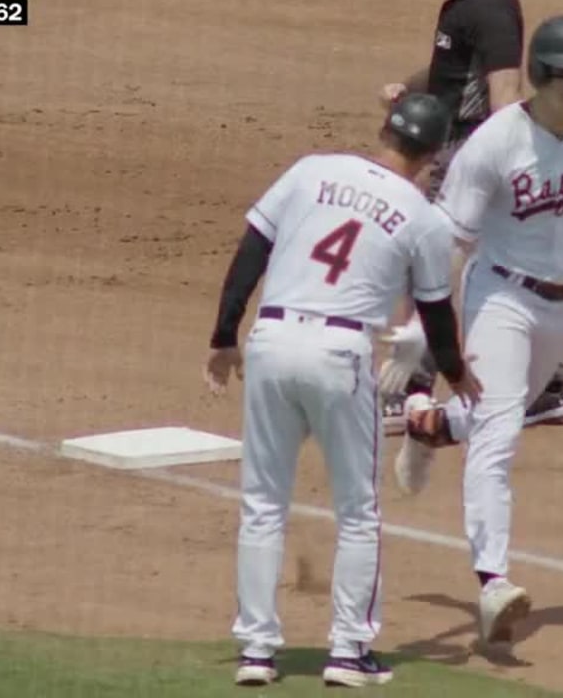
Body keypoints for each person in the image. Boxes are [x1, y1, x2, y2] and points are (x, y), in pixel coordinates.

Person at [387, 15, 563, 649]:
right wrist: (417, 331)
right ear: (538, 74)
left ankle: (430, 426)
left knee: (495, 413)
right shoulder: (494, 145)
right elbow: (446, 244)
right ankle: (493, 583)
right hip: (502, 294)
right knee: (502, 429)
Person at [202, 94, 482, 688]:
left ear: (384, 129)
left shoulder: (311, 170)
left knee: (261, 505)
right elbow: (435, 315)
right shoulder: (424, 218)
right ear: (433, 157)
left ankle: (256, 651)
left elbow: (250, 251)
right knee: (357, 511)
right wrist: (457, 376)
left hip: (272, 340)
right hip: (340, 355)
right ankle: (349, 652)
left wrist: (225, 335)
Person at [378, 0, 563, 433]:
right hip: (455, 149)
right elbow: (452, 70)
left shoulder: (490, 4)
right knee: (485, 266)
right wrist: (411, 88)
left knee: (434, 262)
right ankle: (551, 385)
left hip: (468, 154)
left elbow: (505, 93)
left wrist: (492, 167)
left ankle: (409, 390)